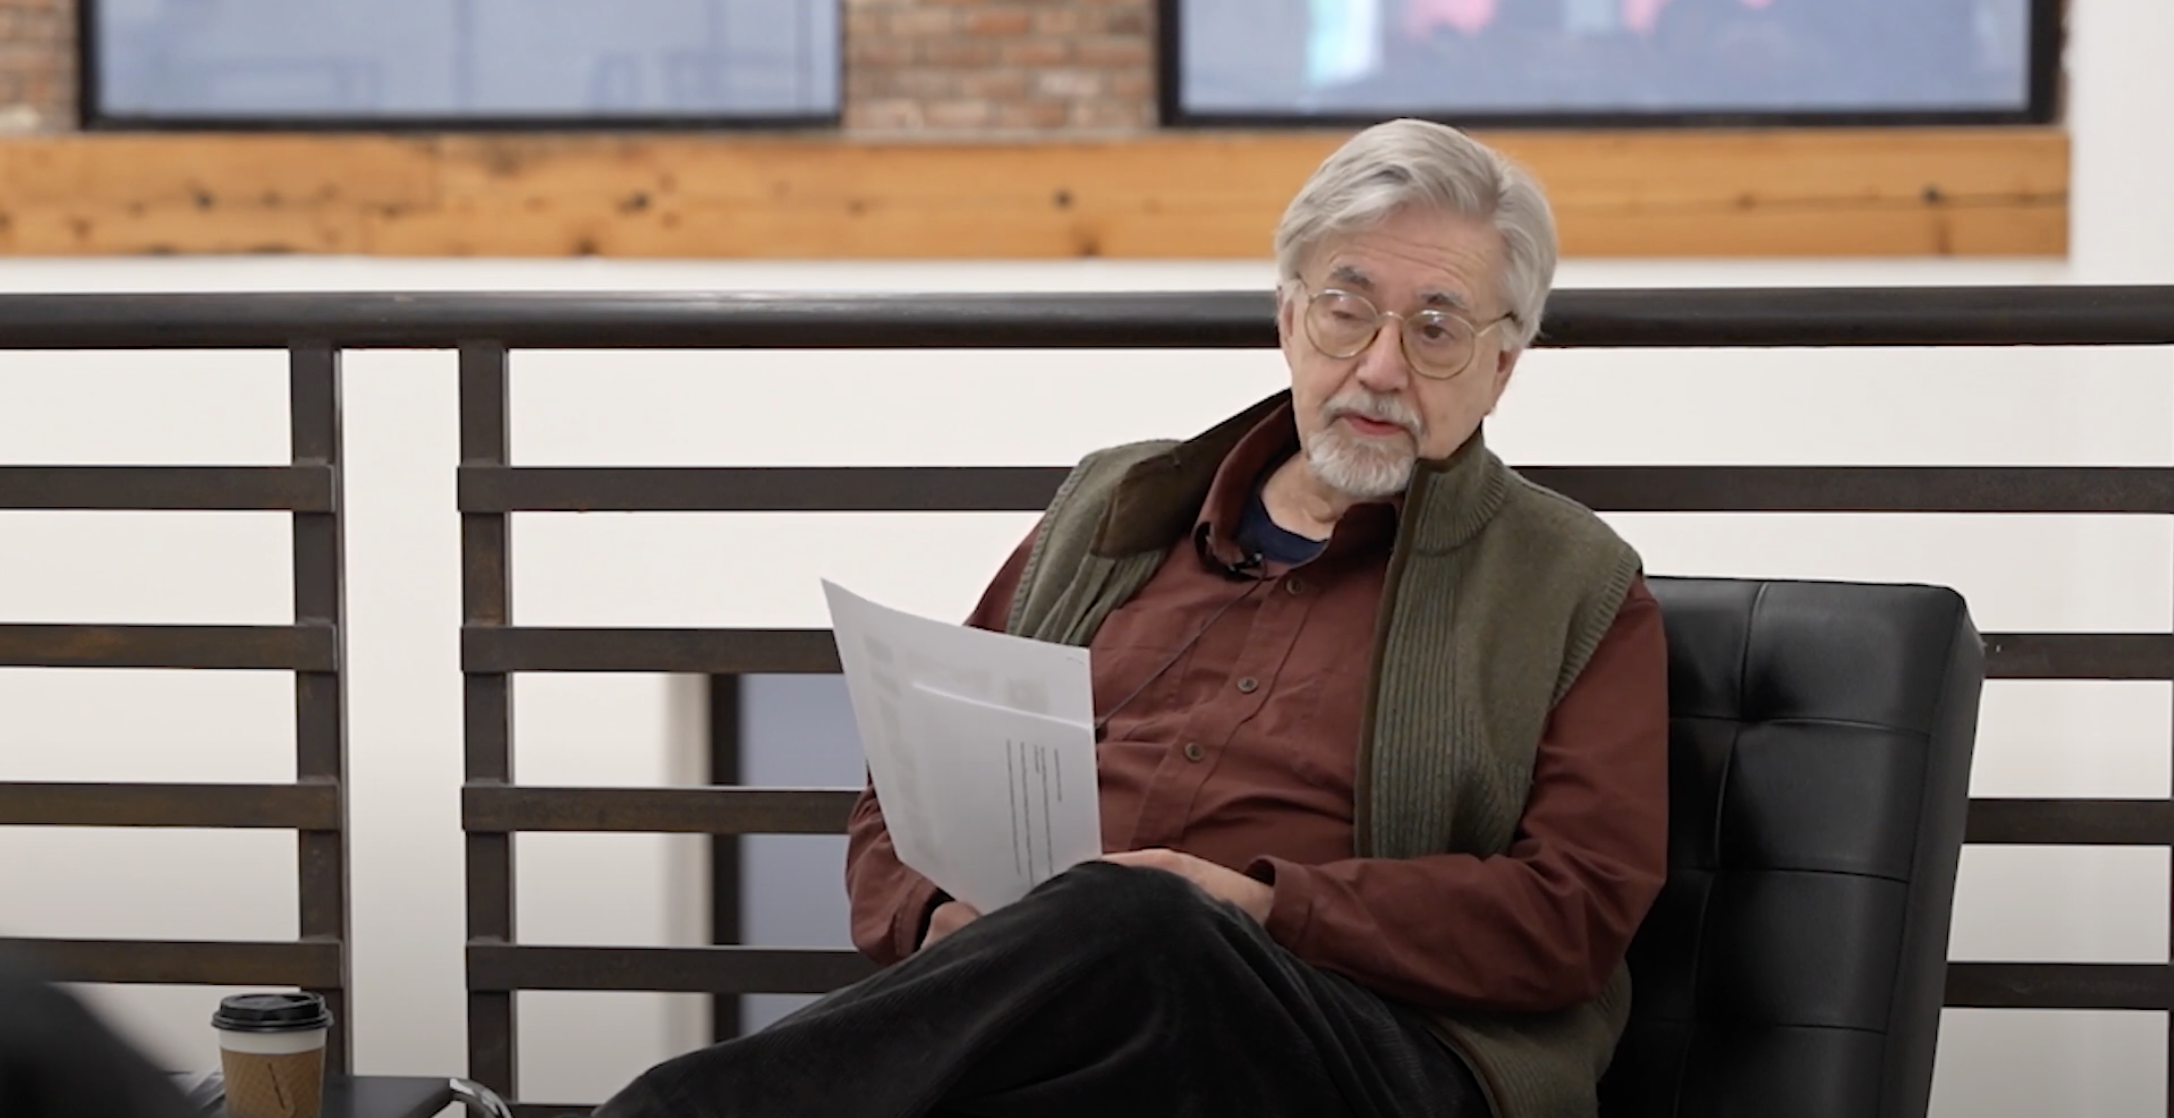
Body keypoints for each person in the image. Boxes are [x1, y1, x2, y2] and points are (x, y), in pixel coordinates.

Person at [595, 118, 1668, 1118]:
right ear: (1289, 318)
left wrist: (1259, 906)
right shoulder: (1110, 509)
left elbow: (1573, 910)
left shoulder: (1571, 583)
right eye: (1346, 310)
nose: (1379, 368)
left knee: (1142, 920)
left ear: (1500, 366)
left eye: (1434, 329)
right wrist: (939, 923)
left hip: (1372, 1043)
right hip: (1084, 1029)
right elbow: (907, 783)